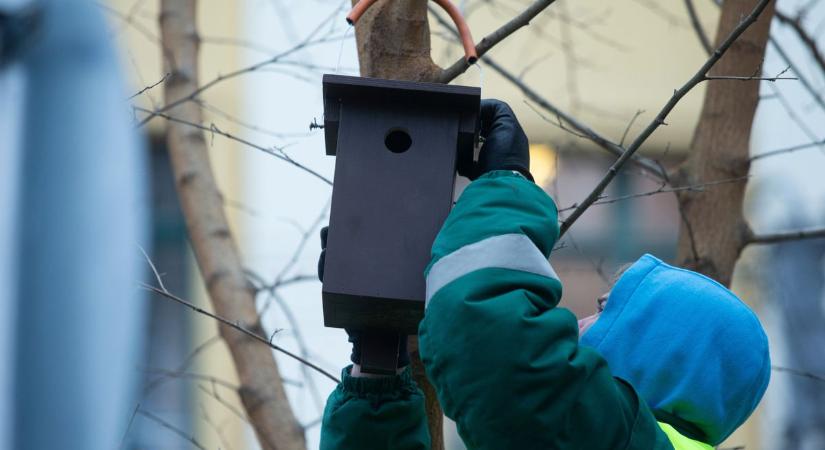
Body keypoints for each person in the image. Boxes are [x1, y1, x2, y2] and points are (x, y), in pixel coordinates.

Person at [318, 100, 771, 450]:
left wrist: (506, 185)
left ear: (663, 353)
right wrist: (377, 367)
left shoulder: (616, 439)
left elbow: (496, 350)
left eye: (605, 308)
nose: (578, 324)